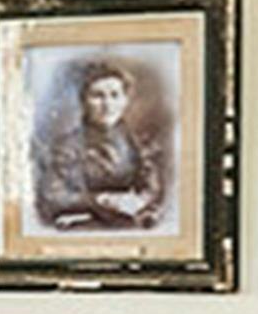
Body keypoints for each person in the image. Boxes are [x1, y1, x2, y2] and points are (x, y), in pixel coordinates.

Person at [33, 60, 166, 230]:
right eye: (97, 96)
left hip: (131, 223)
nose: (107, 105)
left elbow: (152, 188)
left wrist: (139, 201)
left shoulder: (139, 142)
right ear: (84, 101)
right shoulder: (66, 146)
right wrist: (97, 200)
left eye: (114, 95)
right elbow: (52, 195)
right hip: (85, 226)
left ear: (125, 100)